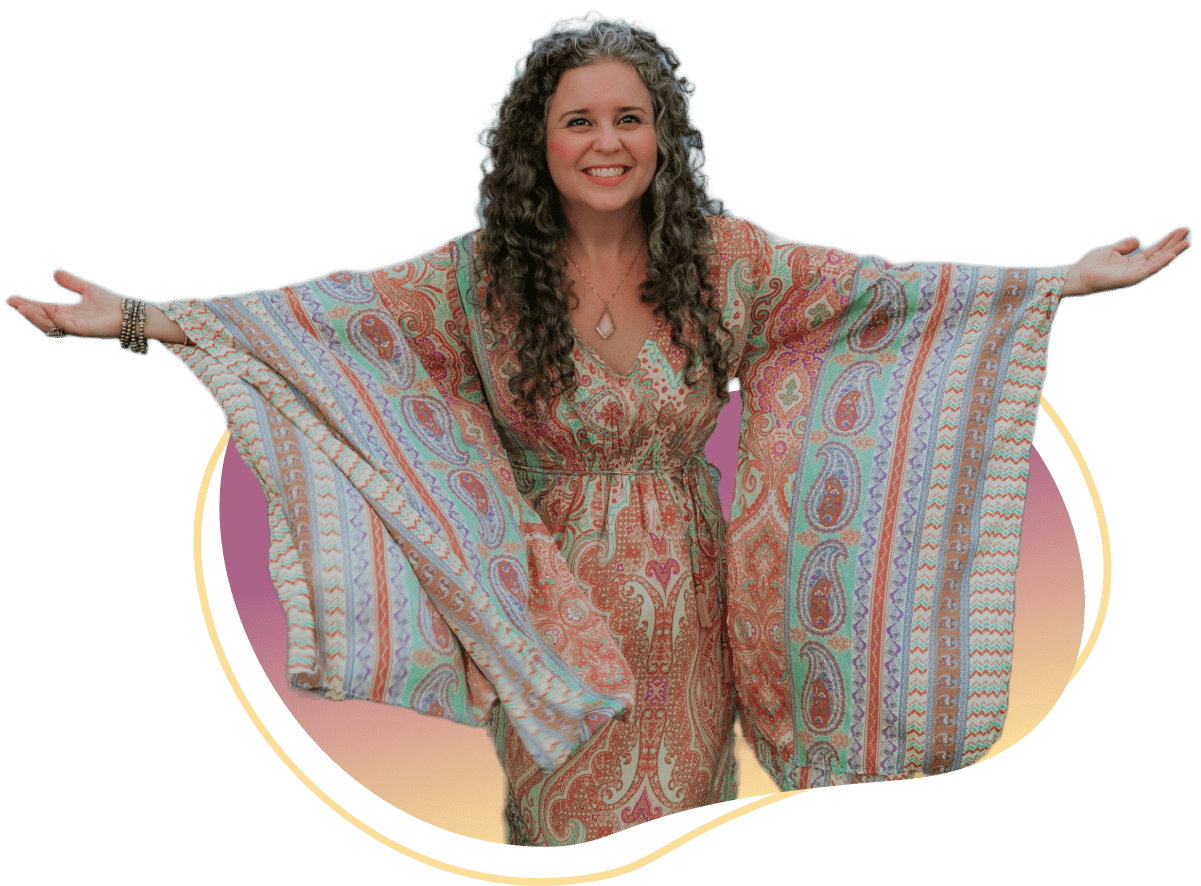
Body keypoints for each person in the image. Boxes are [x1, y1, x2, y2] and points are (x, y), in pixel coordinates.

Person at [5, 12, 1190, 847]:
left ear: (663, 134)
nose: (607, 141)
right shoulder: (473, 278)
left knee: (684, 834)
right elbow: (324, 321)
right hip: (549, 615)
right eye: (579, 120)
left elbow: (887, 294)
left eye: (631, 117)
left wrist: (1058, 280)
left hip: (692, 610)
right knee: (563, 848)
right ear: (538, 140)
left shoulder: (726, 260)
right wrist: (141, 319)